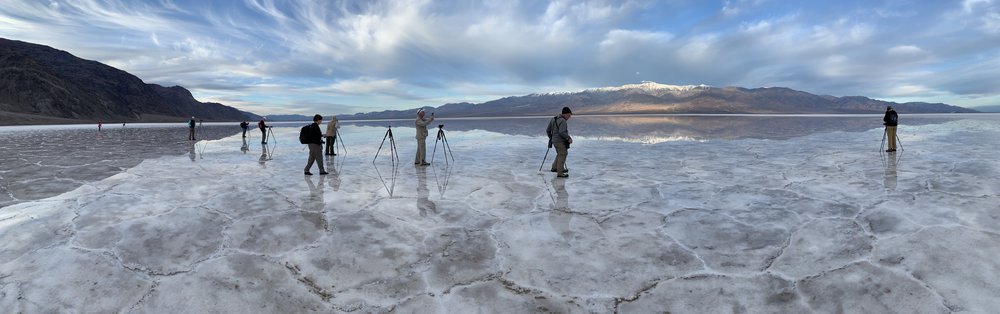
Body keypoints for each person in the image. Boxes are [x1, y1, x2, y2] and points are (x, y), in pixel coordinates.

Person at [546, 107, 573, 178]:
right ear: (565, 114)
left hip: (554, 141)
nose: (569, 117)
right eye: (569, 115)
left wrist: (551, 138)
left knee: (560, 154)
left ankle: (554, 168)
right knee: (563, 154)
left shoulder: (553, 119)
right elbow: (562, 132)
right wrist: (568, 138)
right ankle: (560, 172)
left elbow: (548, 130)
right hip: (560, 141)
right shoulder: (563, 121)